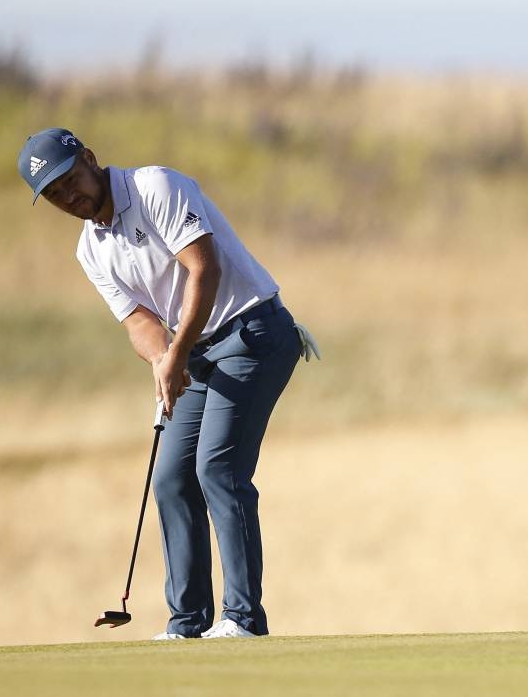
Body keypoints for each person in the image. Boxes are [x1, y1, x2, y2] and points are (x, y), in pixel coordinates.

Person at [17, 128, 318, 639]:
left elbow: (205, 269)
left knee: (217, 468)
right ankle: (187, 624)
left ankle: (242, 619)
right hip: (198, 352)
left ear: (90, 159)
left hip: (254, 332)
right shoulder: (91, 249)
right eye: (55, 196)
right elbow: (137, 321)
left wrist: (177, 354)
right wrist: (164, 359)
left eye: (72, 182)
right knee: (172, 479)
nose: (71, 198)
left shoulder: (156, 186)